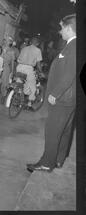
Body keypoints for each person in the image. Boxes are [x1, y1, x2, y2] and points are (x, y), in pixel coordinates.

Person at [27, 14, 76, 172]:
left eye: (62, 28)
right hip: (69, 98)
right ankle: (59, 159)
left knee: (53, 131)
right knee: (65, 130)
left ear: (69, 28)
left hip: (63, 98)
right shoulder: (72, 45)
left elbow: (70, 73)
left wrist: (55, 93)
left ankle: (47, 163)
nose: (60, 32)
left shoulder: (74, 46)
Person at [16, 36, 43, 110]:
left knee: (20, 84)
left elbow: (18, 59)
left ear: (30, 42)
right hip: (28, 69)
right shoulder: (38, 50)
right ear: (37, 43)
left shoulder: (24, 48)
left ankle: (17, 98)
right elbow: (38, 64)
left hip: (19, 67)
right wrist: (41, 72)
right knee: (33, 88)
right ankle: (29, 105)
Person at [0, 38, 15, 104]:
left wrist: (12, 72)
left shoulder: (12, 51)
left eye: (8, 41)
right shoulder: (1, 48)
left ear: (10, 42)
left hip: (6, 68)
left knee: (5, 83)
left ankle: (3, 96)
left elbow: (12, 62)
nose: (6, 41)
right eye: (5, 40)